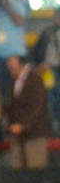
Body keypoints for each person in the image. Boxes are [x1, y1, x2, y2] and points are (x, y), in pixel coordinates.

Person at [6, 55, 51, 170]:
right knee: (16, 170)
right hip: (18, 136)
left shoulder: (35, 80)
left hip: (35, 134)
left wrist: (22, 125)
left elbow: (36, 107)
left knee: (35, 170)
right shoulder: (14, 81)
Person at [32, 7, 60, 136]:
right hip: (49, 70)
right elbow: (35, 53)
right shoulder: (46, 33)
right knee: (49, 103)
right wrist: (39, 65)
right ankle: (51, 133)